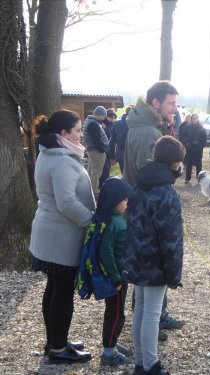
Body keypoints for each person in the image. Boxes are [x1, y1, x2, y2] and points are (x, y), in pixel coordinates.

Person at [30, 110, 94, 364]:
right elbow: (66, 202)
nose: (81, 135)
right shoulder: (62, 160)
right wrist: (92, 222)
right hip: (60, 237)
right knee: (62, 292)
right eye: (77, 130)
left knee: (54, 288)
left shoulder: (51, 153)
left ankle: (55, 340)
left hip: (50, 235)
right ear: (63, 134)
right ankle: (58, 349)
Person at [123, 80, 185, 336]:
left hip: (141, 207)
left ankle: (158, 315)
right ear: (156, 102)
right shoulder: (148, 132)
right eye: (171, 103)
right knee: (151, 266)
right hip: (147, 210)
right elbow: (148, 176)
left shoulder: (144, 125)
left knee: (150, 264)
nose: (174, 108)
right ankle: (151, 320)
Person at [124, 136, 185, 375]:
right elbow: (171, 240)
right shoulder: (167, 194)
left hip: (136, 256)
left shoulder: (140, 184)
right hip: (155, 262)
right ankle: (149, 364)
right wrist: (173, 273)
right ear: (175, 164)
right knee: (151, 313)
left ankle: (141, 360)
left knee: (140, 309)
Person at [92, 178, 135, 366]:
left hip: (120, 274)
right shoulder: (112, 222)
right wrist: (116, 277)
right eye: (125, 200)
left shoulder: (116, 219)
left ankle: (113, 344)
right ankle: (108, 352)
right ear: (116, 199)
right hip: (115, 277)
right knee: (116, 313)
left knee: (118, 311)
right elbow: (105, 252)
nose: (127, 203)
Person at [83, 105, 109, 198]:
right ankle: (94, 191)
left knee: (91, 169)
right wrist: (102, 149)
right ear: (99, 115)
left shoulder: (89, 121)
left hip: (92, 149)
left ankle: (88, 188)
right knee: (96, 171)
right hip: (96, 150)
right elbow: (96, 139)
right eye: (103, 116)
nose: (104, 118)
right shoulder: (93, 124)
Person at [182, 113, 207, 183]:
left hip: (198, 148)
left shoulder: (202, 127)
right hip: (189, 147)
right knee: (189, 163)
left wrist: (199, 145)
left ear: (198, 118)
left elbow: (204, 139)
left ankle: (199, 177)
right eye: (193, 118)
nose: (194, 119)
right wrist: (187, 142)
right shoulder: (187, 127)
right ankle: (187, 178)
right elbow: (183, 136)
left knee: (198, 163)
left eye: (195, 118)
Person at [109, 104, 134, 173]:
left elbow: (111, 142)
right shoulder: (135, 124)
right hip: (133, 154)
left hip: (120, 154)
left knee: (125, 176)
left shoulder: (116, 124)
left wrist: (112, 157)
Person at [99, 108, 118, 187]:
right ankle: (101, 185)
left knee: (108, 169)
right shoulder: (102, 125)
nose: (112, 119)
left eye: (114, 117)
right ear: (107, 117)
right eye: (111, 117)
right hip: (104, 149)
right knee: (104, 169)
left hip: (110, 149)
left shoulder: (113, 125)